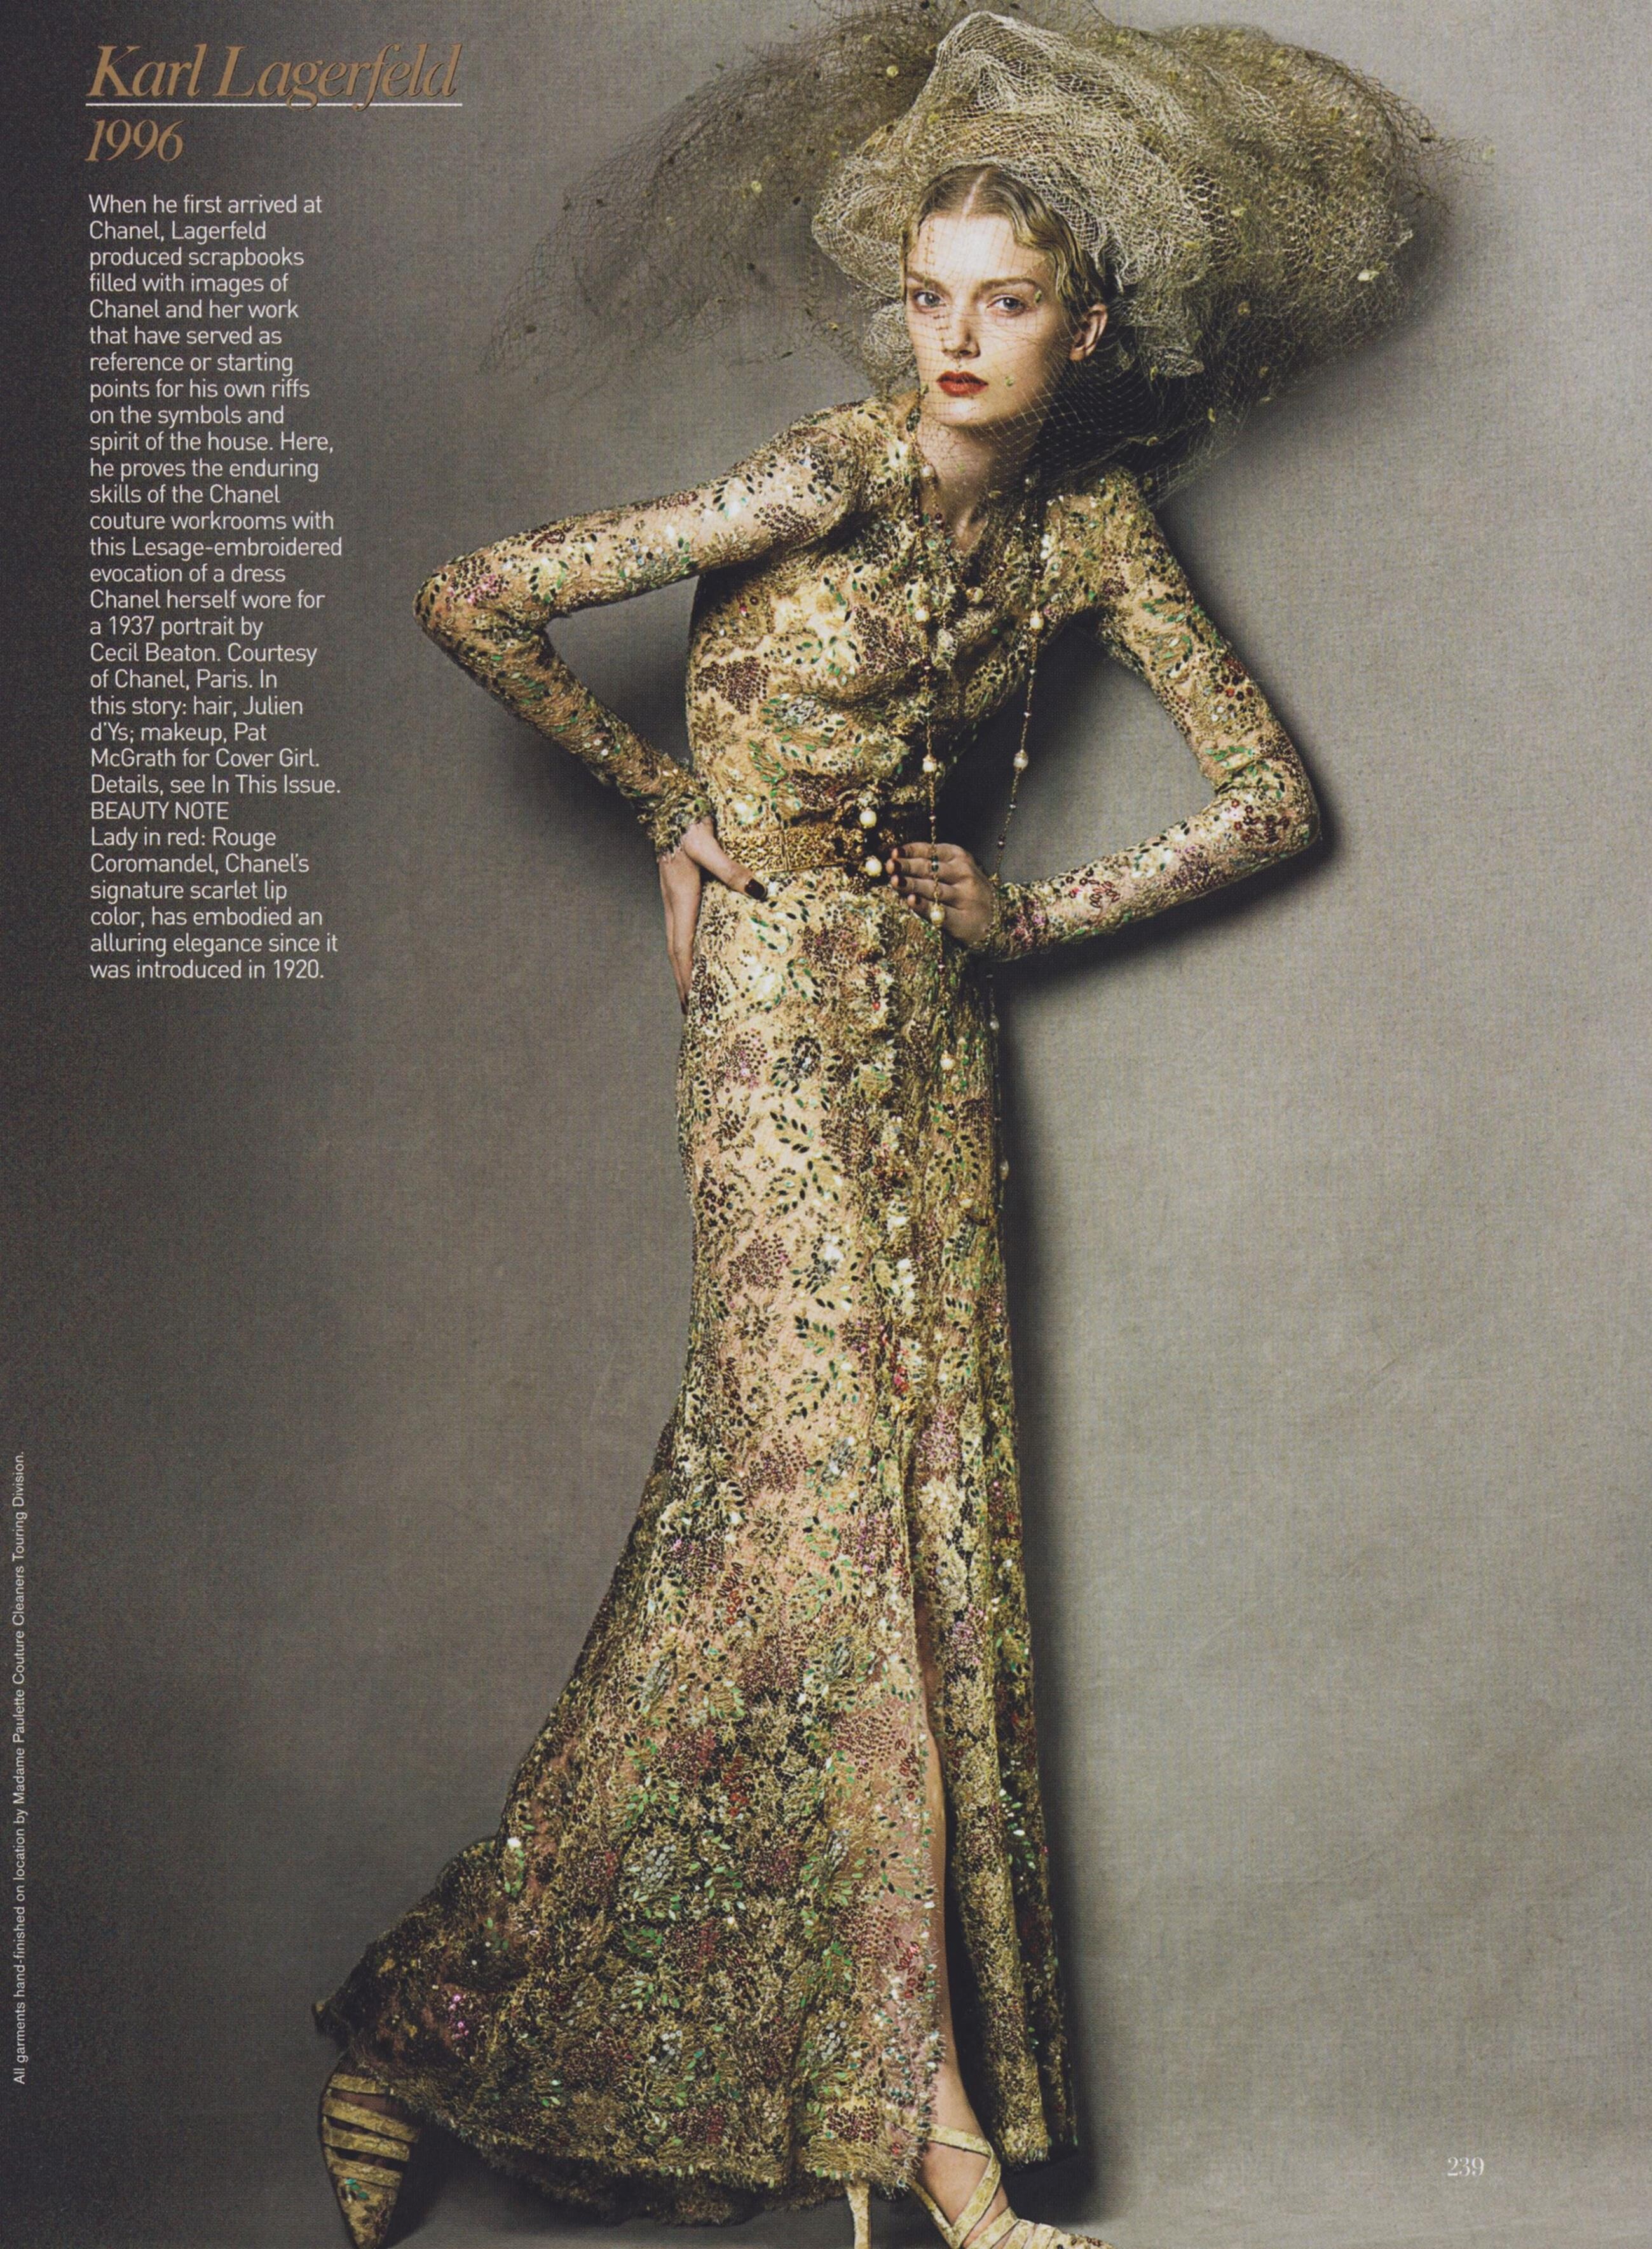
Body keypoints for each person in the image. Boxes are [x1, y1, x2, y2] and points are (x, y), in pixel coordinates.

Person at [311, 11, 1447, 2247]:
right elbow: (474, 594)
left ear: (1079, 329)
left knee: (891, 1546)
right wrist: (666, 801)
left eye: (1003, 301)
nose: (953, 337)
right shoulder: (818, 475)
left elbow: (1269, 797)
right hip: (765, 1027)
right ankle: (932, 2145)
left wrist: (1025, 914)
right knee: (824, 1545)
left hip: (928, 1028)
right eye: (928, 296)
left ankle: (435, 2028)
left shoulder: (1092, 525)